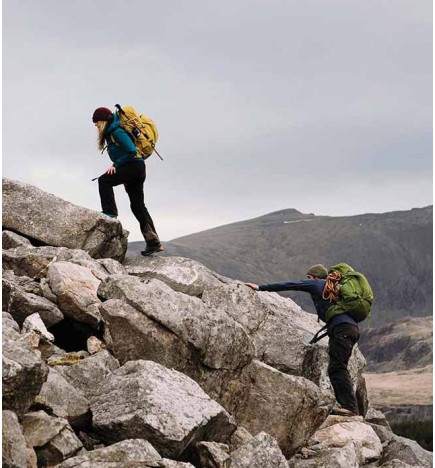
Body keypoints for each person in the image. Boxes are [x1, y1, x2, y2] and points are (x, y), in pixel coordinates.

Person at [245, 264, 360, 417]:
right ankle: (349, 406)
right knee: (337, 367)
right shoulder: (333, 287)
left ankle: (350, 408)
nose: (308, 280)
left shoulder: (318, 283)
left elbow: (292, 284)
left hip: (342, 330)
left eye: (309, 277)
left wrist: (261, 287)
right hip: (349, 329)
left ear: (315, 276)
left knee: (337, 368)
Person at [92, 107, 163, 256]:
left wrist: (116, 164)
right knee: (137, 206)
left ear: (103, 121)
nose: (96, 126)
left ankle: (110, 213)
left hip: (133, 166)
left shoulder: (116, 132)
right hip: (137, 168)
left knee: (104, 181)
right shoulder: (112, 132)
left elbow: (131, 150)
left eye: (97, 122)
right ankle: (153, 242)